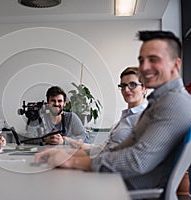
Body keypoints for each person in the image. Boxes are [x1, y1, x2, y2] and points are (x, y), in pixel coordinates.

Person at [35, 30, 191, 190]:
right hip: (115, 182)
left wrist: (73, 160)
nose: (144, 67)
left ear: (176, 64)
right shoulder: (159, 102)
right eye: (141, 60)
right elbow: (117, 150)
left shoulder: (174, 103)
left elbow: (137, 161)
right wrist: (67, 155)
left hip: (124, 190)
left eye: (153, 59)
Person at [67, 66, 147, 152]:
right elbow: (104, 148)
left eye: (132, 85)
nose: (126, 89)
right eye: (123, 86)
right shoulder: (123, 119)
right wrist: (79, 144)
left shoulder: (145, 117)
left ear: (144, 88)